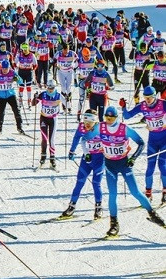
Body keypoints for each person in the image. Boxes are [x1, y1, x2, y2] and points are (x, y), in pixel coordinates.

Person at [81, 106, 164, 237]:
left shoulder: (124, 129)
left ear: (116, 118)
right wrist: (86, 153)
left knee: (135, 191)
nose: (108, 120)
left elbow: (141, 143)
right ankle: (114, 224)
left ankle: (152, 214)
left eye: (111, 118)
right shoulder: (100, 127)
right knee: (112, 194)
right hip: (109, 165)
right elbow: (84, 139)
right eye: (106, 118)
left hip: (124, 164)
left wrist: (133, 158)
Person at [120, 87, 166, 204]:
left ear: (155, 96)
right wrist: (124, 107)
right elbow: (127, 116)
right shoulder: (143, 106)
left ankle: (165, 192)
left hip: (164, 140)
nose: (148, 100)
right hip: (153, 141)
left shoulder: (163, 104)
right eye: (145, 98)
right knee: (150, 168)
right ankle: (148, 193)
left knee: (163, 167)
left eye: (150, 98)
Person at [64, 109, 104, 220]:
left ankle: (98, 207)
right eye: (85, 122)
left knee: (96, 183)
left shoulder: (102, 128)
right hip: (87, 158)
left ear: (95, 122)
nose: (86, 125)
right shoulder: (81, 126)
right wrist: (72, 150)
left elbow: (112, 140)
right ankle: (71, 206)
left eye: (89, 123)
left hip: (99, 159)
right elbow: (77, 137)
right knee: (79, 182)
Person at [31, 79, 61, 169]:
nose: (50, 89)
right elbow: (33, 104)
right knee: (44, 138)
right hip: (43, 118)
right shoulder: (43, 94)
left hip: (53, 119)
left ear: (55, 87)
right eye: (49, 87)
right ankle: (43, 156)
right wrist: (35, 97)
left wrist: (68, 99)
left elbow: (67, 105)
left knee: (51, 139)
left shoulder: (58, 95)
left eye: (52, 88)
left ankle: (52, 158)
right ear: (46, 86)